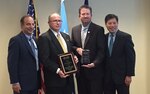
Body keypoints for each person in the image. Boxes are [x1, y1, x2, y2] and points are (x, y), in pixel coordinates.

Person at [38, 13, 78, 94]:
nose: (58, 23)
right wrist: (58, 70)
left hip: (68, 80)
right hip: (54, 81)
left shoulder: (66, 36)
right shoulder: (44, 37)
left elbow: (69, 52)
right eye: (55, 21)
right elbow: (44, 59)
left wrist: (74, 57)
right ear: (49, 23)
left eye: (59, 21)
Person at [71, 5, 106, 94]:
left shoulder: (98, 29)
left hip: (95, 72)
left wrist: (94, 63)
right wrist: (77, 49)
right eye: (83, 14)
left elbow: (102, 50)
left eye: (87, 14)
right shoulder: (74, 30)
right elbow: (71, 46)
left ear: (91, 15)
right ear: (79, 16)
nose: (85, 16)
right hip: (80, 72)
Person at [7, 15, 41, 94]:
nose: (31, 26)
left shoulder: (36, 40)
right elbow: (12, 63)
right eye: (28, 24)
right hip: (22, 84)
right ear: (22, 25)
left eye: (33, 24)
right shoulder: (16, 40)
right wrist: (14, 82)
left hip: (35, 83)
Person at [104, 14, 136, 94]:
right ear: (106, 24)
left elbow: (131, 57)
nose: (112, 25)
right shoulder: (103, 37)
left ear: (117, 23)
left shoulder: (125, 37)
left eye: (114, 23)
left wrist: (129, 75)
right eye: (109, 23)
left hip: (122, 77)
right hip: (107, 78)